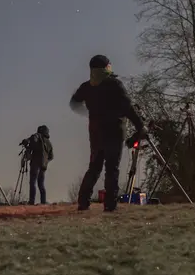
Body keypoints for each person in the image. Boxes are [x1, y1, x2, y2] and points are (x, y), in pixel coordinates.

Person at [70, 55, 145, 212]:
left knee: (94, 166)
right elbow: (127, 107)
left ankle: (83, 201)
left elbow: (74, 102)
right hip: (114, 130)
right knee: (112, 168)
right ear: (106, 67)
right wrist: (140, 126)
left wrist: (88, 113)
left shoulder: (87, 87)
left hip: (95, 131)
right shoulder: (114, 84)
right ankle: (110, 204)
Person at [27, 125, 54, 205]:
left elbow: (33, 138)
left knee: (33, 182)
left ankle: (31, 202)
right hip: (44, 166)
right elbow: (51, 156)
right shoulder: (49, 143)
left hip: (36, 163)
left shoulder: (38, 136)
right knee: (41, 184)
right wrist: (45, 162)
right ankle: (43, 202)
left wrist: (27, 141)